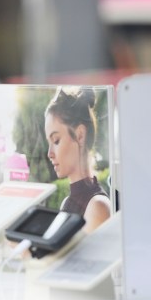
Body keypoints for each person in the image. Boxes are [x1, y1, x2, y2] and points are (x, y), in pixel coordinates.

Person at [44, 86, 111, 231]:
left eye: (56, 141)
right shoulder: (67, 203)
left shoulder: (98, 206)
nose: (49, 153)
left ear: (80, 135)